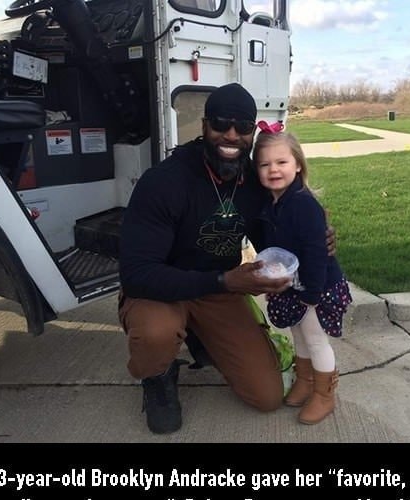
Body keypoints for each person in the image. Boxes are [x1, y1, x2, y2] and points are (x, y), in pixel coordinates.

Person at [118, 83, 334, 435]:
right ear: (204, 125)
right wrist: (226, 281)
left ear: (252, 131)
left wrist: (315, 240)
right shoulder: (164, 182)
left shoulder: (252, 181)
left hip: (217, 291)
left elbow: (272, 238)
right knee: (156, 334)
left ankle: (202, 337)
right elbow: (137, 275)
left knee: (266, 396)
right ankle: (158, 376)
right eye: (220, 124)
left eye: (243, 127)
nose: (231, 135)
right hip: (160, 291)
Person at [253, 130, 352, 425]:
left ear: (298, 165)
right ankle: (305, 380)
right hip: (292, 285)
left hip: (315, 286)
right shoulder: (272, 203)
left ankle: (324, 394)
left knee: (316, 339)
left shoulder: (303, 204)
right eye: (264, 165)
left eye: (281, 162)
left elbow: (315, 251)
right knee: (298, 335)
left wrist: (312, 292)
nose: (273, 170)